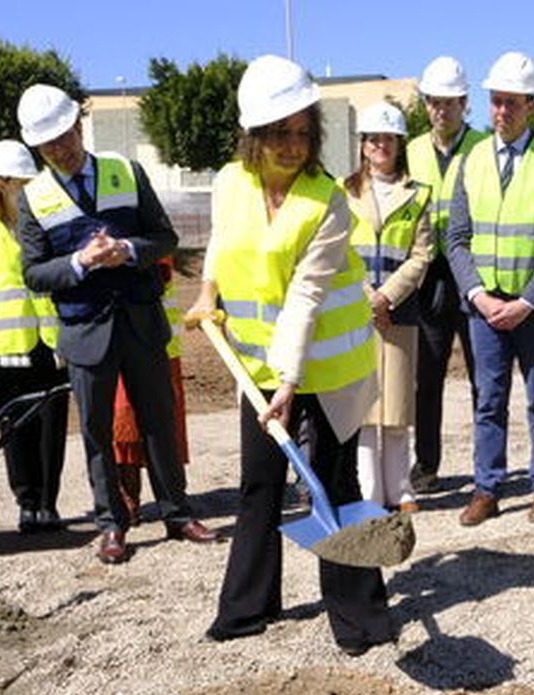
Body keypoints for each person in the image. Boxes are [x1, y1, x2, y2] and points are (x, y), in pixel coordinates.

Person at [188, 55, 394, 656]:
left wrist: (290, 380)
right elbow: (222, 245)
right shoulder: (230, 183)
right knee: (259, 484)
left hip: (328, 367)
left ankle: (360, 618)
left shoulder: (326, 203)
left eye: (304, 132)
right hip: (256, 368)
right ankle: (248, 606)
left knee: (335, 484)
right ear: (254, 135)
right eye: (281, 132)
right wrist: (206, 294)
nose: (294, 145)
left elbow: (306, 295)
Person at [14, 83, 217, 565]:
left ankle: (177, 511)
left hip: (140, 322)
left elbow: (164, 237)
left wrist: (127, 251)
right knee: (97, 431)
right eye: (48, 145)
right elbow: (34, 273)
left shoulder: (126, 172)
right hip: (85, 333)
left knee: (159, 423)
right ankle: (112, 524)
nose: (60, 150)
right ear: (37, 148)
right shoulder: (33, 198)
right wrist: (81, 263)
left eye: (64, 137)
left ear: (78, 126)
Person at [446, 50, 534, 526]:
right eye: (496, 101)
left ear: (531, 105)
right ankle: (487, 488)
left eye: (512, 103)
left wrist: (526, 302)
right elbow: (456, 237)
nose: (502, 111)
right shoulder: (472, 159)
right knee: (489, 398)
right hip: (484, 305)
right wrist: (478, 295)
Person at [0, 139, 71, 534]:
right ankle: (27, 504)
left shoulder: (41, 226)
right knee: (17, 431)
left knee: (52, 431)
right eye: (24, 182)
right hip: (7, 354)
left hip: (49, 349)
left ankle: (48, 506)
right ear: (5, 184)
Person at [407, 56, 488, 495]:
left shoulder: (483, 147)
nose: (442, 110)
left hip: (472, 272)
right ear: (426, 105)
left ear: (464, 103)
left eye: (450, 102)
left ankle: (486, 464)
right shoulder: (411, 151)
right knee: (427, 378)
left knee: (483, 377)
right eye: (434, 102)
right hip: (428, 277)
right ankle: (426, 463)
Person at [347, 102, 433, 513]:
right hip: (354, 315)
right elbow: (337, 251)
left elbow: (422, 255)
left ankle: (400, 489)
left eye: (388, 139)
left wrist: (387, 297)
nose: (381, 146)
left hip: (399, 313)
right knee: (363, 410)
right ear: (363, 145)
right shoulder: (343, 193)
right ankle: (368, 491)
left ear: (399, 144)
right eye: (374, 139)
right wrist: (366, 297)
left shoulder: (418, 195)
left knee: (397, 407)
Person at [111, 257, 190, 522]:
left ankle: (173, 498)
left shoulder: (149, 222)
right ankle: (127, 496)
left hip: (159, 339)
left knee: (164, 422)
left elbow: (161, 270)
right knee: (122, 419)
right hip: (115, 338)